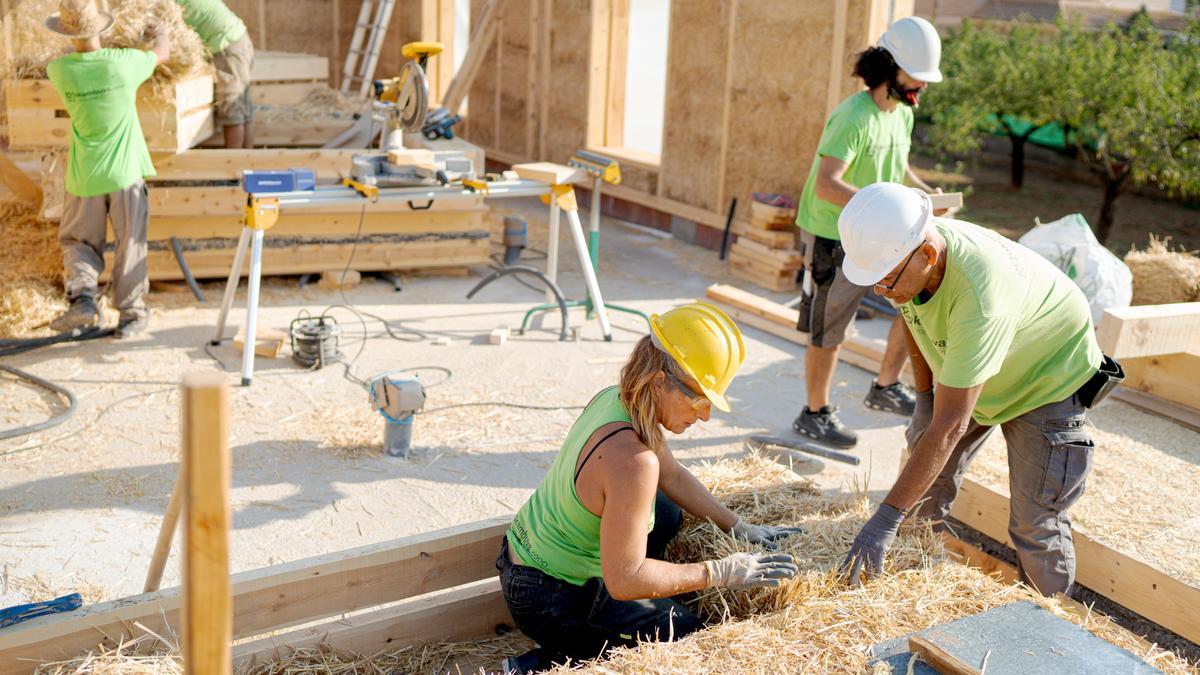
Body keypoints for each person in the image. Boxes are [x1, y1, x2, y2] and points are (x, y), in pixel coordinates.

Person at [836, 182, 1120, 597]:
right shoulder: (905, 262)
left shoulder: (979, 296)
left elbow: (952, 426)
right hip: (982, 361)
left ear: (927, 255)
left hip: (1046, 376)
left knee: (1034, 521)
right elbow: (912, 317)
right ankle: (910, 574)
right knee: (924, 473)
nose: (881, 292)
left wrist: (882, 521)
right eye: (875, 284)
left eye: (884, 282)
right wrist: (924, 396)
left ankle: (1046, 627)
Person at [497, 303, 802, 673]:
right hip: (551, 600)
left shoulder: (618, 399)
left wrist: (738, 526)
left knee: (668, 508)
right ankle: (539, 664)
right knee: (689, 634)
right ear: (661, 380)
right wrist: (719, 572)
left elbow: (672, 476)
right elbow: (625, 581)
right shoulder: (633, 462)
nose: (705, 415)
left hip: (525, 562)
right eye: (699, 399)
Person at [791, 16, 949, 449]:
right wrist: (878, 210)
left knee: (913, 306)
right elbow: (827, 184)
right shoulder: (852, 117)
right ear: (889, 68)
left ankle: (884, 387)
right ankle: (814, 414)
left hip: (883, 231)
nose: (923, 88)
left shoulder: (901, 115)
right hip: (831, 234)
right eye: (917, 78)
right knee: (831, 327)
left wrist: (924, 194)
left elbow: (898, 169)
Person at [45, 0, 170, 338]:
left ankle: (83, 301)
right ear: (101, 28)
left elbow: (71, 64)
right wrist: (160, 32)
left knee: (78, 241)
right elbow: (162, 54)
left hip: (84, 174)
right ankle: (130, 315)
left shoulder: (60, 71)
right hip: (125, 173)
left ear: (68, 33)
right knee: (131, 242)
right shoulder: (124, 64)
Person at [176, 0, 254, 148]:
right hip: (238, 39)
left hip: (226, 47)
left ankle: (232, 166)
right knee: (243, 111)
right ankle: (247, 162)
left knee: (233, 112)